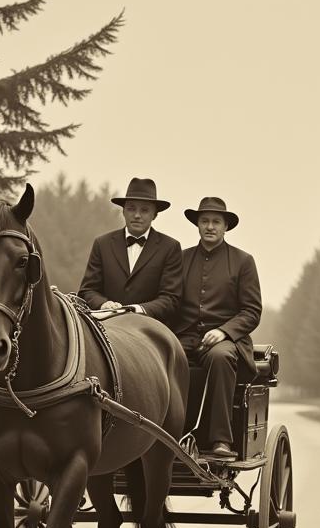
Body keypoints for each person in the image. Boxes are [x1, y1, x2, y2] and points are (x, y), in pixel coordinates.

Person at [175, 196, 262, 460]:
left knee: (220, 357)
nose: (210, 226)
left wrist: (224, 332)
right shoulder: (180, 259)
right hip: (185, 337)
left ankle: (220, 440)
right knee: (162, 356)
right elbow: (169, 301)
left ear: (226, 227)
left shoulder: (243, 261)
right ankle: (167, 435)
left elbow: (252, 311)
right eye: (205, 221)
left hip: (226, 341)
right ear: (197, 225)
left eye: (216, 222)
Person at [78, 177, 183, 323]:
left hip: (149, 329)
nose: (137, 215)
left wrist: (136, 309)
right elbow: (87, 291)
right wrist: (103, 304)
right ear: (123, 211)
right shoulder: (102, 244)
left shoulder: (170, 247)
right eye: (131, 208)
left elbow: (171, 299)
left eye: (144, 210)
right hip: (106, 326)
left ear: (155, 215)